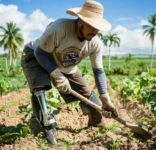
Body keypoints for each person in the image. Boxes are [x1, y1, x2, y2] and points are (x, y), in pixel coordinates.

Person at [21, 0, 118, 138]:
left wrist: (105, 99)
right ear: (80, 21)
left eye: (98, 28)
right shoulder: (59, 28)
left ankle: (97, 123)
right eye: (91, 26)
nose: (95, 31)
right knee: (39, 89)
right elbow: (40, 53)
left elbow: (98, 71)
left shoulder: (95, 43)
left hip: (67, 66)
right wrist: (57, 75)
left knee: (86, 92)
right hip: (36, 55)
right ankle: (42, 128)